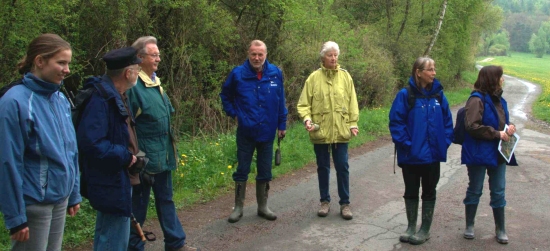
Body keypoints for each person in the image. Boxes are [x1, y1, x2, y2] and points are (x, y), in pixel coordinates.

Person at [0, 33, 81, 251]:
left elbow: (70, 150)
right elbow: (8, 162)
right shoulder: (14, 101)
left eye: (68, 63)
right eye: (61, 63)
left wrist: (74, 192)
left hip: (60, 199)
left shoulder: (60, 99)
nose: (67, 69)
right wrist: (16, 216)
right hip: (34, 204)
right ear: (39, 61)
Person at [126, 36, 198, 251]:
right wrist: (137, 157)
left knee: (166, 200)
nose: (158, 58)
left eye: (158, 54)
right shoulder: (133, 86)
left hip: (163, 155)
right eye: (154, 55)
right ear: (140, 57)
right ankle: (133, 247)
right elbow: (128, 126)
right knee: (137, 207)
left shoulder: (154, 81)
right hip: (143, 161)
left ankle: (176, 243)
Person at [76, 47, 142, 251]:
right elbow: (92, 143)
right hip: (110, 179)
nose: (139, 74)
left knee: (113, 235)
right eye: (137, 70)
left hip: (118, 176)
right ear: (127, 73)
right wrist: (125, 156)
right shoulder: (101, 98)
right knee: (112, 239)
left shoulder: (116, 94)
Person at [220, 40, 288, 223]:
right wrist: (234, 114)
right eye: (253, 54)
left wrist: (282, 124)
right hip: (246, 131)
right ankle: (238, 208)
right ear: (248, 54)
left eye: (260, 54)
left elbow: (281, 100)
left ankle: (263, 206)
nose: (257, 58)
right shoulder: (238, 74)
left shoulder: (275, 73)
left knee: (265, 170)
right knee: (242, 169)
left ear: (266, 54)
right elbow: (225, 96)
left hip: (267, 130)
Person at [388, 57, 453, 245]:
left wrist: (444, 142)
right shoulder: (405, 95)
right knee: (410, 190)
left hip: (432, 156)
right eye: (430, 69)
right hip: (411, 156)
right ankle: (410, 227)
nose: (434, 73)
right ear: (418, 72)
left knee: (429, 191)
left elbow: (448, 122)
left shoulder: (439, 96)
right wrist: (407, 145)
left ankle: (424, 229)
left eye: (434, 69)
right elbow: (396, 122)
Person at [297, 41, 359, 220]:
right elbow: (303, 104)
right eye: (330, 55)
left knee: (343, 167)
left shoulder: (346, 77)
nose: (333, 58)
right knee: (323, 167)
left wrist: (353, 123)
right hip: (320, 131)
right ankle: (324, 202)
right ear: (323, 57)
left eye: (335, 55)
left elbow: (352, 103)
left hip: (341, 131)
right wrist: (307, 119)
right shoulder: (313, 78)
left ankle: (345, 204)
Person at [461, 65, 517, 244]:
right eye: (500, 76)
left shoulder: (501, 100)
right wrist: (497, 133)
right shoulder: (476, 100)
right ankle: (469, 225)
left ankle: (500, 229)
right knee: (475, 189)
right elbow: (472, 126)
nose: (503, 79)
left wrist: (509, 128)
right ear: (492, 79)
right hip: (478, 153)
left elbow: (503, 124)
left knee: (499, 191)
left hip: (498, 153)